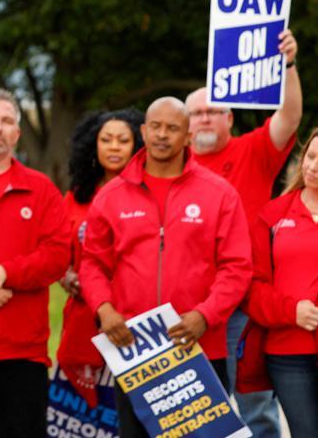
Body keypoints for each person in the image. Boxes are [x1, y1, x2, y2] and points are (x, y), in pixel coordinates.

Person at [80, 97, 253, 438]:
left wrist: (205, 315)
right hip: (135, 349)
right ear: (143, 131)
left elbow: (237, 267)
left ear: (188, 136)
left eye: (173, 128)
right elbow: (93, 263)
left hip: (199, 347)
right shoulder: (112, 195)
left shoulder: (219, 194)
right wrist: (104, 309)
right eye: (155, 127)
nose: (162, 135)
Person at [185, 29, 300, 438]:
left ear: (229, 118)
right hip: (189, 303)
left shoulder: (252, 150)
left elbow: (289, 118)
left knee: (253, 402)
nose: (204, 119)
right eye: (196, 114)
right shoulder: (173, 166)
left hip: (244, 300)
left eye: (213, 111)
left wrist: (287, 65)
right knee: (192, 406)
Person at [0, 88, 72, 437]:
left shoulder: (40, 189)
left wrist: (6, 274)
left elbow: (57, 254)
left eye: (7, 121)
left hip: (22, 355)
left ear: (17, 134)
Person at [237, 123, 318, 436]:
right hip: (288, 354)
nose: (313, 167)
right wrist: (292, 311)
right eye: (310, 157)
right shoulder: (273, 215)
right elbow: (251, 287)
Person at [56, 109, 143, 405]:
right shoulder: (76, 197)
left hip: (134, 316)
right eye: (106, 140)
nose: (114, 147)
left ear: (137, 146)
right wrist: (65, 276)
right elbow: (59, 253)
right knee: (87, 414)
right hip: (83, 317)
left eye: (123, 140)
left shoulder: (147, 194)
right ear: (93, 146)